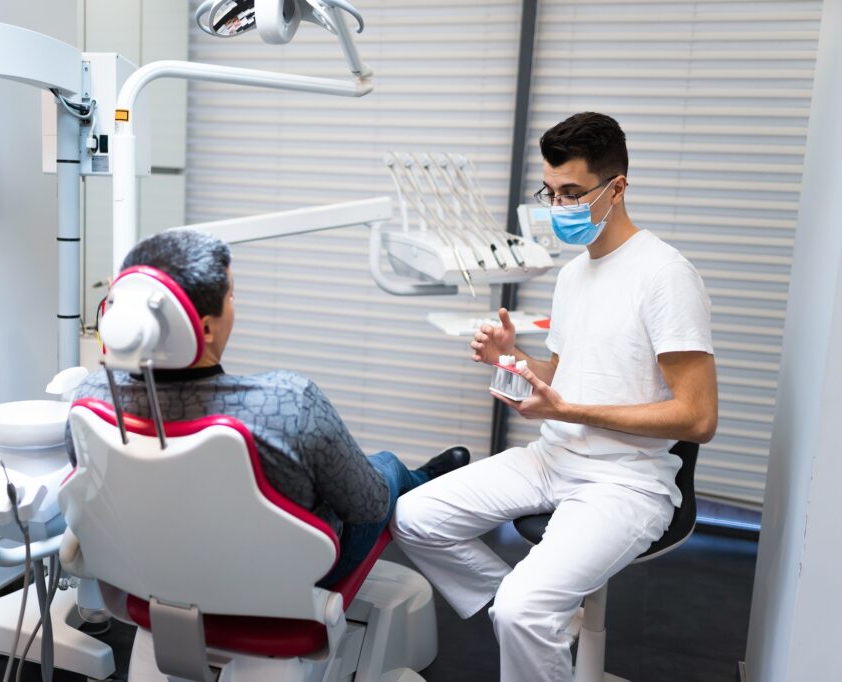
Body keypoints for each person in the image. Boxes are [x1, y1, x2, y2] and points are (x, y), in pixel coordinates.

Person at [390, 112, 718, 682]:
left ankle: (528, 616)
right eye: (551, 191)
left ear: (616, 187)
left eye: (572, 193)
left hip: (627, 480)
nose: (558, 206)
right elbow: (568, 374)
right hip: (552, 458)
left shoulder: (665, 275)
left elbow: (698, 417)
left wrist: (566, 410)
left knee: (523, 610)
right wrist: (512, 360)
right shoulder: (574, 275)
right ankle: (534, 619)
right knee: (414, 516)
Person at [66, 229, 471, 586]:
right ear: (205, 327)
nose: (235, 302)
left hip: (152, 565)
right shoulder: (289, 404)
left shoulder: (90, 400)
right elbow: (367, 508)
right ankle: (422, 479)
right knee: (385, 470)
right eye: (232, 295)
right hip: (286, 577)